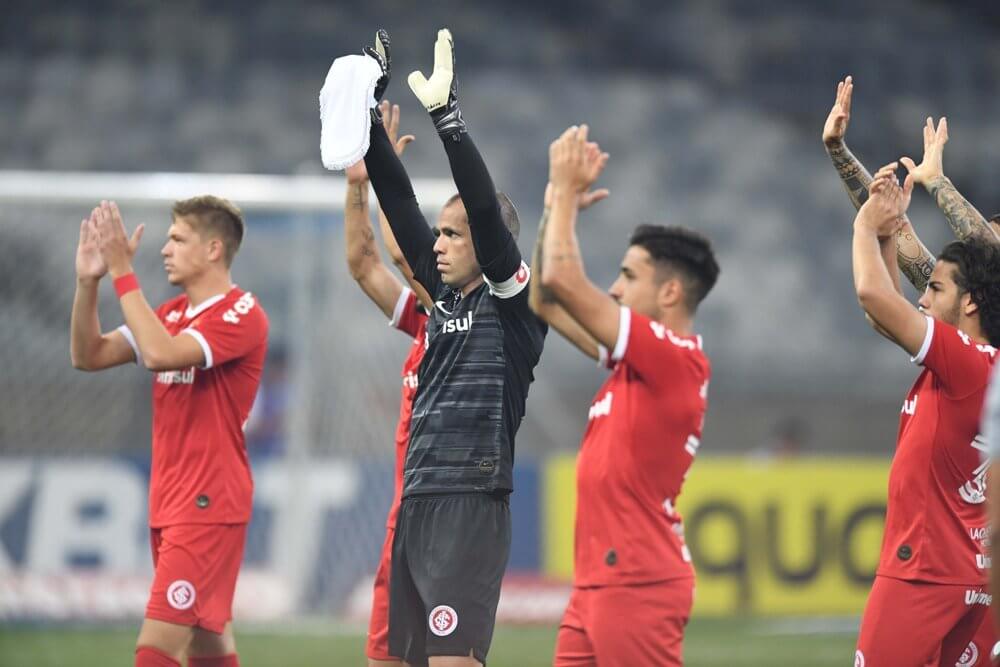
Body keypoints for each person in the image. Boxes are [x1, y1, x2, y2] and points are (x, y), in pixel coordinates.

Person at [360, 29, 547, 666]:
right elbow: (398, 200)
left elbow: (487, 223)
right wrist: (367, 116)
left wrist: (448, 120)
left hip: (470, 503)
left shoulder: (512, 302)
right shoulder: (442, 299)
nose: (436, 245)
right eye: (439, 234)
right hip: (417, 499)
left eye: (453, 234)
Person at [823, 77, 1000, 665]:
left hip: (935, 568)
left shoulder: (974, 358)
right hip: (973, 564)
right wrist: (844, 159)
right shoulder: (966, 348)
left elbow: (963, 266)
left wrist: (935, 184)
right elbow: (905, 257)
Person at [533, 124, 719, 667]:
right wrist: (554, 207)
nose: (614, 288)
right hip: (598, 580)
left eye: (627, 275)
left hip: (637, 580)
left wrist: (566, 193)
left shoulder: (674, 356)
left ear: (669, 291)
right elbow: (546, 300)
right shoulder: (637, 362)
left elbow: (565, 280)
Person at [70, 197, 268, 667]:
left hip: (208, 501)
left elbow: (160, 355)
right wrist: (88, 282)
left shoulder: (241, 313)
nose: (165, 249)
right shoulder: (173, 312)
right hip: (173, 500)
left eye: (178, 239)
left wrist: (123, 272)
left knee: (156, 649)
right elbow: (88, 355)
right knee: (207, 643)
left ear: (213, 249)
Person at [341, 99, 433, 667]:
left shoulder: (482, 328)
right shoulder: (426, 324)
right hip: (404, 522)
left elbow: (398, 255)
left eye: (451, 236)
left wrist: (383, 179)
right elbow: (363, 264)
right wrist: (359, 186)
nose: (439, 247)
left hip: (452, 521)